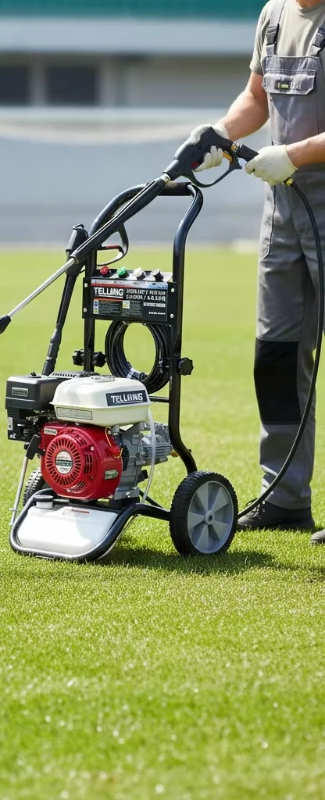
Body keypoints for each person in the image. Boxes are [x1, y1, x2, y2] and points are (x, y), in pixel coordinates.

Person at [188, 0, 325, 543]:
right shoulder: (273, 14)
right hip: (284, 210)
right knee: (277, 355)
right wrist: (220, 133)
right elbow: (257, 96)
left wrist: (296, 152)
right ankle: (285, 497)